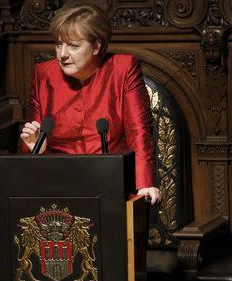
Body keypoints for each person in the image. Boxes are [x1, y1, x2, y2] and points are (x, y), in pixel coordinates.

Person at [20, 3, 161, 205]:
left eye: (73, 46)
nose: (63, 54)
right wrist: (37, 151)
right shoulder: (44, 74)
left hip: (111, 187)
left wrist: (144, 184)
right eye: (59, 44)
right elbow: (30, 146)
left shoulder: (122, 69)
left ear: (96, 46)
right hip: (56, 189)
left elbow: (138, 131)